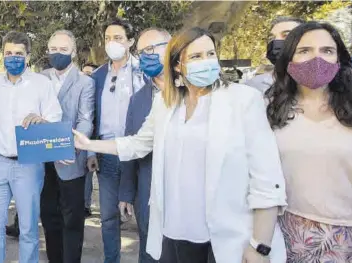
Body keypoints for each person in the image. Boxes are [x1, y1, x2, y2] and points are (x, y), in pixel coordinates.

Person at [73, 27, 288, 263]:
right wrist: (88, 143)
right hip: (176, 232)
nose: (205, 62)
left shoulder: (243, 100)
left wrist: (260, 246)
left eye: (210, 54)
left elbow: (266, 179)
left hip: (228, 238)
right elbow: (138, 144)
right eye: (195, 57)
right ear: (177, 65)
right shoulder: (165, 104)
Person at [266, 21, 352, 262]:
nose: (317, 59)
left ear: (339, 59)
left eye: (327, 51)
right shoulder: (270, 110)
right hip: (290, 236)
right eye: (304, 51)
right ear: (289, 60)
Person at [0, 31, 62, 263]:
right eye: (8, 53)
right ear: (2, 55)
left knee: (28, 229)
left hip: (28, 164)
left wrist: (41, 120)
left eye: (18, 53)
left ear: (28, 56)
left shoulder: (41, 83)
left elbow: (55, 116)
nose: (13, 57)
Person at [88, 19, 146, 263]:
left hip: (139, 153)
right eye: (108, 38)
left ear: (131, 41)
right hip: (107, 154)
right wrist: (91, 151)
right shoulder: (97, 76)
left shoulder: (144, 72)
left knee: (145, 216)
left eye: (118, 38)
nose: (112, 43)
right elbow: (90, 116)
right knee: (109, 218)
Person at [38, 29, 94, 263]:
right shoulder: (39, 78)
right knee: (49, 217)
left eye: (63, 49)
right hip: (43, 159)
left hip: (70, 159)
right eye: (53, 49)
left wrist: (68, 146)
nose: (57, 53)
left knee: (72, 219)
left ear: (72, 51)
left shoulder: (85, 82)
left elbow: (85, 119)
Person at [119, 27, 171, 263]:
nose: (146, 56)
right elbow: (132, 145)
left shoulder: (193, 91)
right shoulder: (138, 99)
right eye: (142, 52)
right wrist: (126, 194)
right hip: (147, 195)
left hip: (186, 197)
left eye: (151, 48)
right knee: (149, 253)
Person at [245, 17, 304, 93]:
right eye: (272, 37)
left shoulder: (321, 85)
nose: (276, 41)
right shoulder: (252, 87)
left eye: (286, 35)